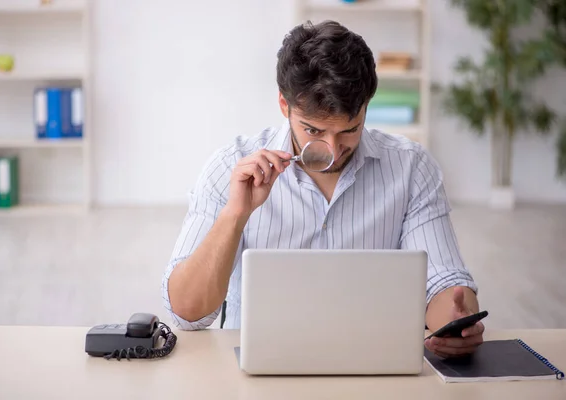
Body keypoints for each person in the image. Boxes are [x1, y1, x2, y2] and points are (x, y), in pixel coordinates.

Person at [162, 20, 484, 358]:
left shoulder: (412, 167)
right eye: (314, 130)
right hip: (261, 368)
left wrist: (456, 321)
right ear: (285, 106)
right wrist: (235, 215)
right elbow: (187, 314)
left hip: (374, 362)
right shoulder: (229, 165)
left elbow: (444, 282)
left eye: (349, 130)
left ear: (366, 107)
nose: (331, 149)